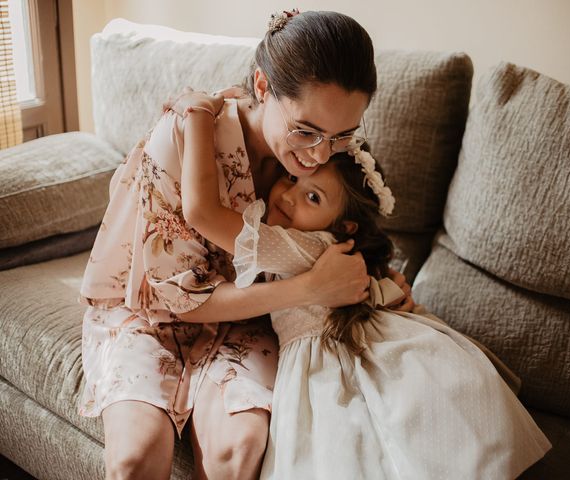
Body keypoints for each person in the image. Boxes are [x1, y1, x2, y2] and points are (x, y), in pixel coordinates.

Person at [79, 9, 412, 480]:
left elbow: (341, 231)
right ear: (262, 86)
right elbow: (178, 299)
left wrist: (379, 278)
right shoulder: (186, 134)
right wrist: (312, 288)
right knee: (136, 456)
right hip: (151, 311)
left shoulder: (322, 161)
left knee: (240, 450)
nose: (317, 156)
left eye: (340, 136)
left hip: (250, 319)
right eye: (306, 130)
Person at [176, 129, 552, 478]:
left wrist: (197, 122)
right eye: (292, 178)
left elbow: (205, 215)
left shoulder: (306, 247)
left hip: (328, 357)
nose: (288, 196)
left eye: (313, 197)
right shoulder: (321, 246)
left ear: (345, 227)